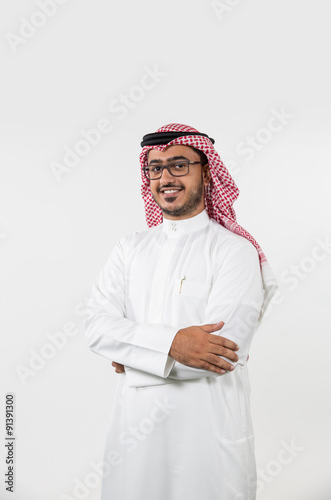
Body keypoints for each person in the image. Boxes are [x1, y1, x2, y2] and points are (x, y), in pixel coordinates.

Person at [84, 123, 277, 500]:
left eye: (178, 165)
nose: (165, 177)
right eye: (155, 168)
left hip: (208, 438)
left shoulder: (234, 251)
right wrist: (173, 343)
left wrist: (130, 352)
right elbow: (96, 329)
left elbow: (221, 354)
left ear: (206, 172)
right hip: (134, 434)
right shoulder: (129, 249)